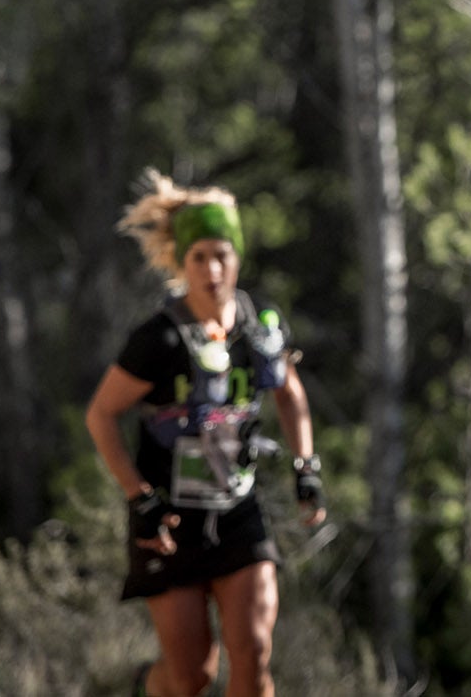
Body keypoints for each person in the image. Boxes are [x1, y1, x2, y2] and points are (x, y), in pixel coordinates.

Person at [84, 171, 326, 697]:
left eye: (223, 254)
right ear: (181, 261)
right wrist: (137, 496)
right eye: (199, 257)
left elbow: (289, 394)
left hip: (238, 512)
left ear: (238, 256)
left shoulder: (259, 328)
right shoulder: (159, 338)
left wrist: (306, 468)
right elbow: (101, 415)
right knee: (191, 675)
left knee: (254, 654)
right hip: (169, 521)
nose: (213, 270)